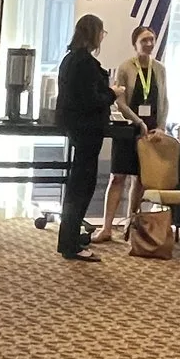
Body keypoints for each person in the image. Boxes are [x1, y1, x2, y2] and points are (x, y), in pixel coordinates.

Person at [97, 24, 170, 245]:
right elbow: (120, 102)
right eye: (144, 40)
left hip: (150, 132)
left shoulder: (160, 69)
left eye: (151, 39)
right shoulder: (126, 67)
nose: (149, 43)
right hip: (128, 129)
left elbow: (164, 100)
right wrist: (138, 122)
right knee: (118, 177)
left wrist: (161, 126)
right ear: (135, 44)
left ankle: (131, 225)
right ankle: (106, 227)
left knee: (140, 180)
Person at [54, 14, 114, 263]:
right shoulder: (85, 63)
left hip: (77, 128)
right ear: (93, 34)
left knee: (79, 186)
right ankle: (70, 244)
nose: (102, 37)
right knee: (81, 187)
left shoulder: (70, 59)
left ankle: (69, 238)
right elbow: (91, 99)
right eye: (101, 32)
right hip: (87, 129)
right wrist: (112, 93)